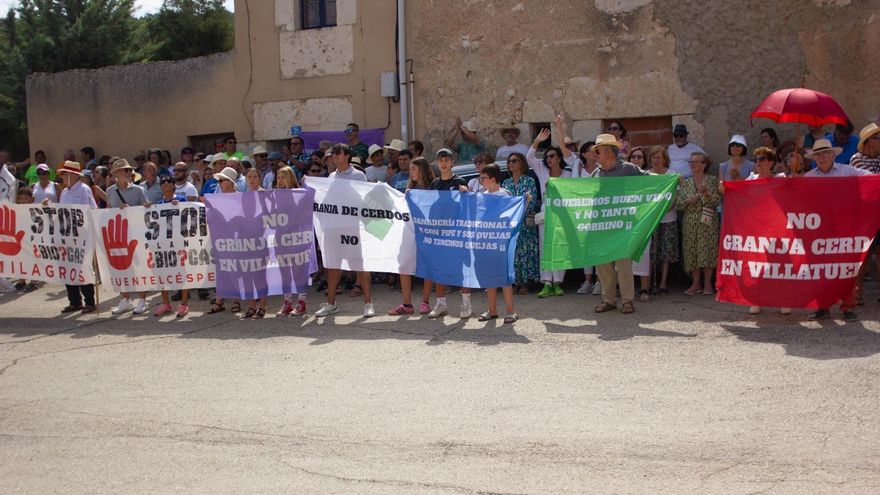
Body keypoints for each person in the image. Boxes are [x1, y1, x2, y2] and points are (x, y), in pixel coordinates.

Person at [803, 139, 869, 321]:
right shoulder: (808, 178)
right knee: (819, 269)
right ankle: (822, 307)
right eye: (818, 154)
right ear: (814, 157)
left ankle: (848, 306)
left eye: (825, 153)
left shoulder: (848, 171)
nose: (822, 156)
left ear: (833, 154)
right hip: (819, 230)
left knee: (845, 268)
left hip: (843, 229)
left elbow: (871, 180)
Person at [313, 143, 375, 318]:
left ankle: (368, 304)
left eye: (337, 154)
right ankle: (331, 304)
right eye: (333, 155)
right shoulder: (331, 176)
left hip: (353, 227)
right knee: (333, 266)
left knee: (360, 266)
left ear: (347, 155)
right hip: (334, 228)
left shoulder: (358, 175)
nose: (334, 157)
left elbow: (365, 199)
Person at [590, 134, 646, 314]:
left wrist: (670, 178)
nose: (595, 154)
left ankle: (627, 300)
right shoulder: (596, 174)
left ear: (607, 151)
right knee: (603, 263)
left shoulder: (628, 168)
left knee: (623, 264)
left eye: (597, 150)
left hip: (623, 225)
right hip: (600, 226)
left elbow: (650, 179)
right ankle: (609, 300)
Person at [742, 147, 790, 316]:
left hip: (778, 229)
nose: (758, 162)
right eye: (756, 160)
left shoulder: (781, 178)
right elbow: (739, 195)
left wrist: (796, 170)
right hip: (757, 229)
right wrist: (724, 188)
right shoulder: (751, 179)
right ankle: (757, 300)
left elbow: (795, 190)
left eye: (762, 159)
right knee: (758, 265)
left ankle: (784, 300)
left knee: (780, 265)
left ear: (770, 162)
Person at [427, 148, 471, 318]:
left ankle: (466, 304)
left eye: (446, 160)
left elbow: (468, 204)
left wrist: (466, 193)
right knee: (439, 269)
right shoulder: (435, 184)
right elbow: (430, 205)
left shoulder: (460, 181)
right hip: (439, 232)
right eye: (441, 160)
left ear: (452, 162)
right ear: (437, 163)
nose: (444, 163)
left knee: (461, 269)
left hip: (457, 232)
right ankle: (441, 303)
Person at [526, 128, 571, 297]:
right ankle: (546, 282)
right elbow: (529, 157)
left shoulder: (568, 174)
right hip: (546, 213)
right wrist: (537, 141)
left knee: (560, 247)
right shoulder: (542, 171)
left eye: (552, 156)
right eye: (547, 157)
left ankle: (558, 282)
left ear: (559, 158)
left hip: (563, 214)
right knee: (545, 247)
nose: (549, 159)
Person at [388, 157, 435, 316]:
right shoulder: (409, 189)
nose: (411, 172)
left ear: (422, 169)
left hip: (427, 232)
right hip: (408, 231)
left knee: (428, 267)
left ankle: (425, 301)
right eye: (410, 169)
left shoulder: (432, 188)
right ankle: (407, 304)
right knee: (403, 266)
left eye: (414, 169)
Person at [50, 161, 99, 313]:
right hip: (66, 236)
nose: (63, 177)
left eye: (64, 174)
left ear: (72, 174)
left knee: (82, 267)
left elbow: (91, 209)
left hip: (81, 235)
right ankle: (75, 301)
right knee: (68, 267)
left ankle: (89, 301)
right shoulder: (64, 192)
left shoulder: (84, 189)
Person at [473, 163, 519, 323]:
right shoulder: (481, 195)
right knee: (489, 277)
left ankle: (511, 311)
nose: (481, 180)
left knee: (504, 277)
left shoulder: (504, 194)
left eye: (483, 178)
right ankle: (492, 311)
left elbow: (511, 215)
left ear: (493, 179)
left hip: (500, 242)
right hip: (485, 242)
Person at [106, 159, 151, 315]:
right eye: (124, 171)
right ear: (116, 174)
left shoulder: (138, 190)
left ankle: (142, 300)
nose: (128, 173)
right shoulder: (110, 191)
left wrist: (131, 210)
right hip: (119, 234)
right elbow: (109, 211)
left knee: (138, 268)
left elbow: (146, 210)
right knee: (121, 268)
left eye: (128, 170)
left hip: (136, 234)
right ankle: (125, 299)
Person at [677, 152, 721, 296]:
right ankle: (695, 283)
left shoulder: (712, 180)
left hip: (708, 221)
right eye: (691, 162)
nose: (693, 164)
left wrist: (706, 194)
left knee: (707, 250)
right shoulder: (686, 183)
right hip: (690, 220)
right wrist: (687, 201)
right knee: (692, 251)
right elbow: (678, 204)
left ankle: (708, 283)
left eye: (696, 162)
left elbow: (717, 201)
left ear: (704, 165)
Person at [152, 175, 191, 318]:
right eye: (163, 181)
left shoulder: (180, 199)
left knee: (181, 272)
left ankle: (184, 303)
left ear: (174, 184)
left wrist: (179, 206)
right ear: (160, 186)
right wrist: (147, 208)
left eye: (169, 181)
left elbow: (188, 215)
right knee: (162, 272)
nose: (166, 183)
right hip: (162, 243)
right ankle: (165, 303)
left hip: (178, 241)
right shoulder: (159, 203)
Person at [272, 166, 309, 317]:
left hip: (296, 236)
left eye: (283, 177)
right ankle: (287, 302)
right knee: (284, 271)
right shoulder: (274, 195)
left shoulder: (298, 195)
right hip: (279, 236)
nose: (280, 180)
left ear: (291, 178)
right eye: (278, 177)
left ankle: (301, 302)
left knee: (297, 270)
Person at [208, 167, 243, 315]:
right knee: (221, 268)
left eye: (222, 180)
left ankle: (236, 299)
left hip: (235, 237)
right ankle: (220, 299)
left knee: (235, 268)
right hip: (221, 237)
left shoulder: (240, 197)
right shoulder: (218, 197)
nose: (220, 183)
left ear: (230, 182)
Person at [645, 146, 680, 295]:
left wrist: (666, 209)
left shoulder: (672, 175)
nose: (656, 160)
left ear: (664, 159)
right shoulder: (646, 175)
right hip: (651, 219)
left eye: (659, 157)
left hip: (668, 218)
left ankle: (663, 283)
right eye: (653, 157)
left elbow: (675, 195)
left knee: (666, 252)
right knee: (650, 252)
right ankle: (648, 283)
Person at [502, 152, 538, 295]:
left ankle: (525, 283)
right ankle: (515, 281)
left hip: (524, 223)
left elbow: (532, 201)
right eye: (509, 161)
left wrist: (522, 204)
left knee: (525, 251)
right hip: (510, 224)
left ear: (522, 163)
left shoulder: (529, 181)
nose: (511, 163)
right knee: (513, 253)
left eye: (514, 161)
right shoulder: (506, 183)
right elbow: (503, 203)